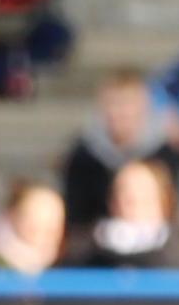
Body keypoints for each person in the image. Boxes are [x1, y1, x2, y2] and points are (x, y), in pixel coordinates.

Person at [60, 69, 157, 233]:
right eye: (115, 103)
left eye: (129, 103)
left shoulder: (163, 154)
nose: (123, 112)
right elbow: (77, 216)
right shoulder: (83, 158)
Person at [79, 159, 179, 270]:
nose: (134, 203)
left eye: (144, 197)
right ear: (112, 202)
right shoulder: (88, 251)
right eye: (125, 196)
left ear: (163, 202)